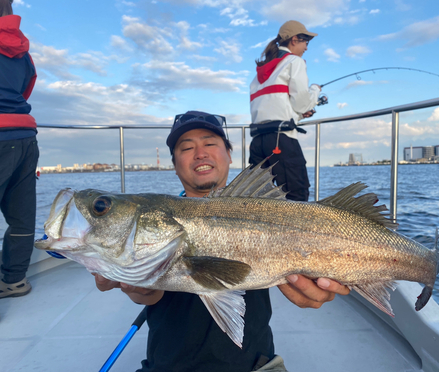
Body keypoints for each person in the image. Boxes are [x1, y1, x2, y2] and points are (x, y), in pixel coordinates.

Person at [94, 111, 349, 372]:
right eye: (186, 147)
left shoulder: (268, 208)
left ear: (229, 153)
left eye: (209, 143)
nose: (200, 153)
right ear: (174, 163)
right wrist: (139, 286)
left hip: (258, 365)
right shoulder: (155, 217)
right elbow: (148, 295)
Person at [249, 20, 325, 202]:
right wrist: (315, 90)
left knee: (256, 197)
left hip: (258, 142)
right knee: (297, 195)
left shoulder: (259, 74)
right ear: (294, 40)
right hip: (281, 141)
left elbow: (272, 106)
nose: (306, 47)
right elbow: (302, 104)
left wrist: (297, 116)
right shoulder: (294, 62)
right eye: (306, 42)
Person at [0, 0, 39, 299]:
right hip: (25, 134)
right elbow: (27, 87)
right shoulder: (23, 51)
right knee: (22, 215)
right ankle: (14, 281)